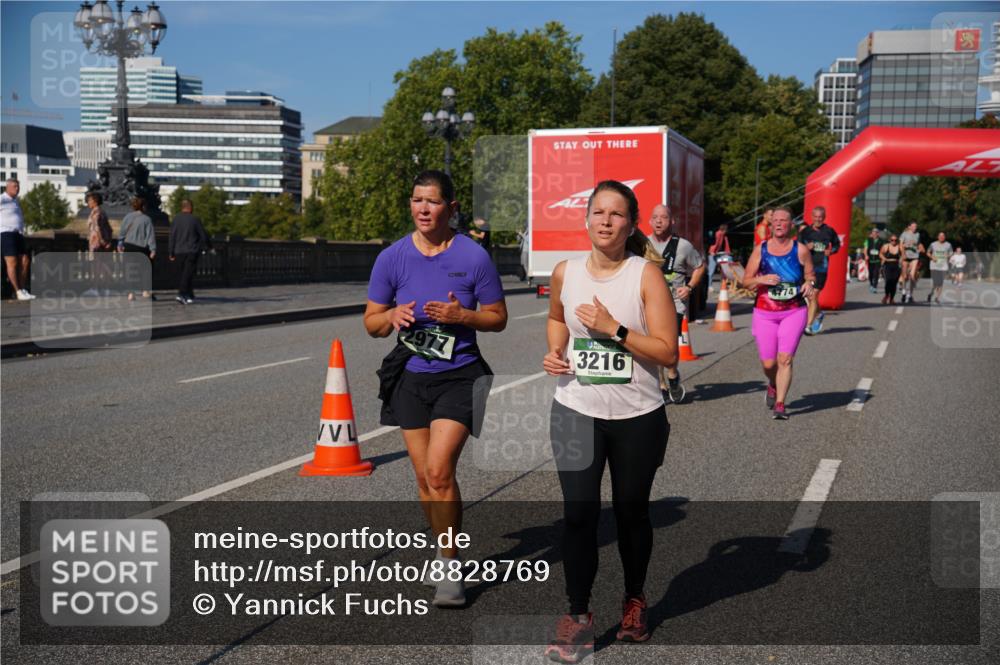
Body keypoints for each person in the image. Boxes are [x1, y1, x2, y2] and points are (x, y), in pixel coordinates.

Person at [542, 180, 676, 662]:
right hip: (576, 408)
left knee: (630, 512)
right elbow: (557, 318)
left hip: (637, 414)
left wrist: (613, 329)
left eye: (616, 214)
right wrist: (555, 351)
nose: (605, 220)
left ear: (630, 225)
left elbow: (666, 349)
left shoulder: (645, 276)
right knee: (578, 515)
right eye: (598, 212)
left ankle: (634, 602)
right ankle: (578, 616)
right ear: (586, 219)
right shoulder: (566, 271)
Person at [365, 170, 507, 608]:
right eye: (416, 200)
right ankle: (443, 546)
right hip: (410, 375)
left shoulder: (474, 256)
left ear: (451, 207)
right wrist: (390, 318)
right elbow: (370, 323)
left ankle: (449, 563)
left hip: (461, 374)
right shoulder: (392, 258)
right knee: (424, 476)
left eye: (432, 201)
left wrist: (460, 316)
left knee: (440, 470)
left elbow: (498, 317)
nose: (423, 209)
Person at [741, 206, 816, 420]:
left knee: (785, 359)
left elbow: (811, 275)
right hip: (765, 312)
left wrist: (809, 284)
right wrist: (761, 279)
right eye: (776, 220)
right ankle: (772, 383)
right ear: (771, 224)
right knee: (769, 364)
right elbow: (745, 281)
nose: (780, 223)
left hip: (793, 311)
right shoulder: (761, 249)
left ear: (791, 225)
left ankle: (781, 404)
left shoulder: (800, 250)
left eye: (784, 220)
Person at [646, 204, 705, 403]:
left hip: (674, 303)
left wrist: (689, 287)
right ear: (650, 221)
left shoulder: (683, 246)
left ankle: (672, 375)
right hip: (648, 302)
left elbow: (699, 266)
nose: (659, 221)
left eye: (663, 217)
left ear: (672, 221)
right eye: (655, 217)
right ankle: (660, 384)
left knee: (669, 347)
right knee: (652, 344)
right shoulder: (642, 245)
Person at [797, 205, 840, 335]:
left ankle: (808, 326)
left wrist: (830, 251)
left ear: (824, 217)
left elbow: (837, 245)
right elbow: (797, 247)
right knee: (810, 298)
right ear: (811, 217)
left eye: (820, 217)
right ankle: (819, 313)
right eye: (815, 217)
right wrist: (805, 246)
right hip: (806, 267)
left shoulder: (829, 231)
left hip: (821, 267)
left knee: (813, 294)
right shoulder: (805, 232)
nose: (818, 219)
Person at [168, 199, 208, 304]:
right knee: (188, 273)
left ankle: (189, 295)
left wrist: (171, 252)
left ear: (182, 207)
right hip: (191, 250)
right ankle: (182, 294)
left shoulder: (176, 219)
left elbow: (172, 236)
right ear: (190, 208)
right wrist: (205, 247)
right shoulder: (195, 219)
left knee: (183, 274)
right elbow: (203, 235)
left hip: (178, 251)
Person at [1, 178, 35, 300]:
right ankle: (18, 291)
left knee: (25, 260)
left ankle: (22, 289)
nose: (17, 188)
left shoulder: (15, 201)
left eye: (18, 186)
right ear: (7, 187)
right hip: (6, 234)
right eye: (14, 186)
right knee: (12, 262)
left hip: (18, 234)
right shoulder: (2, 199)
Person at [118, 196, 156, 300]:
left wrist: (120, 244)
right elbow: (150, 236)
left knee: (130, 270)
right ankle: (145, 291)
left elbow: (122, 232)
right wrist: (153, 249)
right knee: (146, 270)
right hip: (141, 247)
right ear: (143, 206)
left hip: (129, 246)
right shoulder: (147, 219)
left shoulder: (127, 217)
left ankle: (131, 293)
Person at [85, 191, 113, 294]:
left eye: (89, 200)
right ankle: (106, 288)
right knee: (104, 265)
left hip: (96, 243)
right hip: (101, 242)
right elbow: (109, 228)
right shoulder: (102, 212)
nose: (88, 203)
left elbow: (97, 228)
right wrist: (107, 241)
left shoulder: (95, 213)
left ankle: (95, 288)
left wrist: (102, 241)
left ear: (95, 201)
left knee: (96, 266)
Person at [899, 222, 923, 303]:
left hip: (915, 256)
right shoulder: (904, 234)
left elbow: (919, 244)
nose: (915, 228)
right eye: (913, 226)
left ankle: (910, 295)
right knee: (905, 276)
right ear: (909, 227)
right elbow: (901, 245)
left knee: (912, 275)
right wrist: (903, 253)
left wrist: (920, 248)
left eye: (916, 226)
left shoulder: (918, 234)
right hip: (906, 256)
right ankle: (903, 292)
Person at [925, 231, 953, 304]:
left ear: (945, 237)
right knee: (935, 282)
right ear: (938, 237)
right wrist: (932, 257)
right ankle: (931, 293)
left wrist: (948, 256)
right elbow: (927, 252)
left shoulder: (948, 245)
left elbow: (951, 253)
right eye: (940, 236)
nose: (941, 237)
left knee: (940, 283)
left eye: (943, 236)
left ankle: (937, 298)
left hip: (943, 266)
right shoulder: (933, 244)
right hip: (934, 266)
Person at [879, 233, 903, 304]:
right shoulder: (886, 246)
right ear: (889, 240)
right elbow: (880, 254)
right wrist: (885, 259)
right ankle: (886, 296)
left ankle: (891, 299)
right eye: (892, 240)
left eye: (895, 240)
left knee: (894, 283)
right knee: (888, 282)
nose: (894, 242)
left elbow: (903, 256)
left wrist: (901, 261)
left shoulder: (900, 247)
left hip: (896, 266)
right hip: (887, 265)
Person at [706, 222, 731, 292]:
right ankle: (709, 286)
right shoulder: (718, 234)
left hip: (718, 254)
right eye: (726, 230)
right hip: (713, 253)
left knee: (726, 265)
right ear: (724, 230)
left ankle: (725, 282)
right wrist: (712, 251)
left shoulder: (724, 236)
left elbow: (726, 244)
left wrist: (728, 252)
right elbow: (715, 243)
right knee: (711, 270)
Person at [863, 228, 883, 294]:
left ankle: (875, 286)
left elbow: (882, 250)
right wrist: (866, 255)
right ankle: (871, 284)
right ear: (871, 233)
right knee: (871, 273)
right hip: (870, 259)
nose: (875, 234)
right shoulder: (868, 240)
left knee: (876, 273)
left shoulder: (881, 241)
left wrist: (882, 257)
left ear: (878, 233)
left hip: (878, 259)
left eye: (876, 232)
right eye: (873, 232)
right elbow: (865, 249)